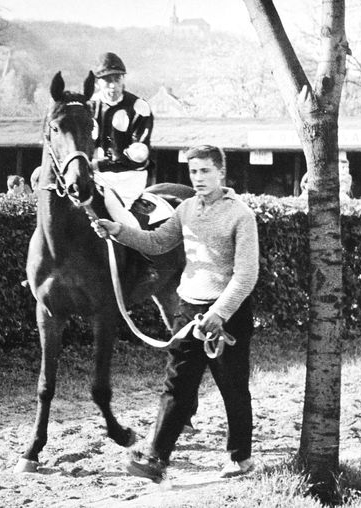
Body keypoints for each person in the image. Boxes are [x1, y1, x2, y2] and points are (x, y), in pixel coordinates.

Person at [93, 144, 259, 482]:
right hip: (189, 309)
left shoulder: (241, 215)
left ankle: (239, 457)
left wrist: (220, 313)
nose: (198, 178)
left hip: (227, 314)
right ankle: (157, 457)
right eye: (193, 171)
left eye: (205, 171)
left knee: (233, 387)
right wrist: (118, 230)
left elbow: (246, 276)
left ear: (221, 173)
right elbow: (156, 243)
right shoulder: (185, 209)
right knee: (177, 386)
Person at [90, 52, 154, 229]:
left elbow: (138, 154)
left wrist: (99, 165)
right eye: (107, 80)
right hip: (94, 174)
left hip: (128, 176)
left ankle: (139, 247)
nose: (112, 86)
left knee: (113, 206)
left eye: (117, 79)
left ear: (123, 80)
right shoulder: (89, 106)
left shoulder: (139, 107)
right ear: (97, 82)